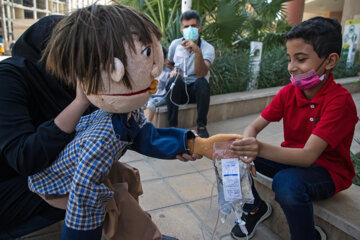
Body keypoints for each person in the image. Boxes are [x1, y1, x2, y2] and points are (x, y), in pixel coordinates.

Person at [0, 5, 201, 240]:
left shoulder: (94, 80)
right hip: (16, 188)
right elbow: (24, 158)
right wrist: (78, 103)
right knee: (95, 187)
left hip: (58, 169)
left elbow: (125, 128)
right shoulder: (10, 78)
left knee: (114, 175)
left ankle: (137, 231)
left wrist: (182, 143)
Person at [229, 17, 358, 240]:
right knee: (233, 152)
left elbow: (308, 157)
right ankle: (255, 208)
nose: (291, 67)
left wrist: (256, 148)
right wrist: (247, 148)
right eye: (289, 59)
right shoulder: (289, 92)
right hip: (291, 160)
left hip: (326, 171)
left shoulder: (340, 101)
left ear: (330, 61)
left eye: (301, 59)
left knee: (286, 184)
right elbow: (254, 126)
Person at [165, 9, 215, 138]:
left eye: (193, 26)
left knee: (202, 82)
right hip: (180, 89)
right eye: (186, 27)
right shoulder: (175, 44)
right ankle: (172, 126)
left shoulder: (207, 48)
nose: (190, 29)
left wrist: (197, 51)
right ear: (181, 30)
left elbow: (201, 73)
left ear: (199, 28)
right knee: (172, 81)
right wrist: (174, 71)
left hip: (195, 91)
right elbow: (168, 63)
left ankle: (201, 126)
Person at [144, 46, 171, 122]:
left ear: (165, 61)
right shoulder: (148, 72)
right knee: (140, 103)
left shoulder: (167, 72)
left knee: (151, 103)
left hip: (161, 97)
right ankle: (139, 125)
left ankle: (147, 125)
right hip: (149, 96)